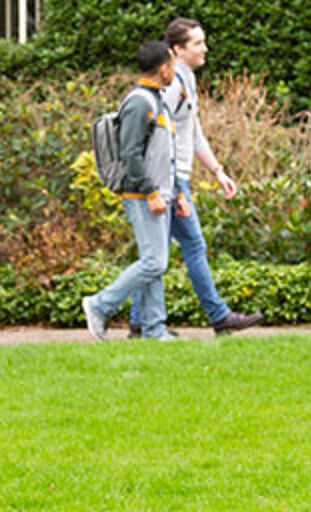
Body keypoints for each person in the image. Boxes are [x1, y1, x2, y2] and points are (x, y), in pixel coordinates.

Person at [126, 18, 262, 338]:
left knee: (157, 253)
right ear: (177, 50)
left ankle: (140, 322)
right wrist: (175, 188)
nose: (205, 49)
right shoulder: (172, 85)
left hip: (176, 178)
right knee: (189, 246)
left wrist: (218, 171)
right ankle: (219, 316)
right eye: (198, 43)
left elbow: (194, 134)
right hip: (170, 179)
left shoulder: (186, 80)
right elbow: (162, 139)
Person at [82, 40, 179, 341]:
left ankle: (153, 329)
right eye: (173, 65)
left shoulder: (156, 100)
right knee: (154, 262)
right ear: (163, 69)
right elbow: (131, 154)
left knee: (154, 262)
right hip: (142, 196)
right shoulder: (140, 102)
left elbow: (162, 153)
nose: (174, 70)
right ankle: (99, 305)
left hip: (158, 195)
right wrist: (151, 192)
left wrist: (174, 194)